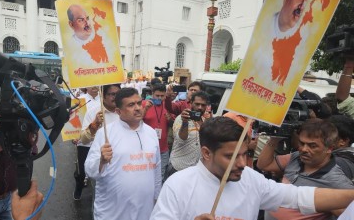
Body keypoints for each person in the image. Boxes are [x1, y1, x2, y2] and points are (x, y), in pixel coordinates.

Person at [150, 117, 354, 220]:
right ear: (206, 153)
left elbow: (300, 197)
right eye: (230, 156)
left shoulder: (250, 179)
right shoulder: (178, 185)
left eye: (245, 154)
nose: (241, 163)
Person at [85, 88, 161, 220]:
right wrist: (101, 161)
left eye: (139, 103)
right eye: (131, 105)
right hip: (113, 212)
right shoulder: (105, 134)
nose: (137, 108)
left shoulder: (151, 133)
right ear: (118, 111)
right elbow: (89, 170)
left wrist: (157, 199)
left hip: (144, 211)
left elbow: (157, 169)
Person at [257, 118, 354, 219]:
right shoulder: (295, 158)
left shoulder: (337, 181)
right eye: (302, 143)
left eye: (312, 146)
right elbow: (264, 165)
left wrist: (329, 203)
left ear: (329, 148)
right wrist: (275, 138)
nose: (304, 149)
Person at [165, 91, 210, 179]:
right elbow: (181, 140)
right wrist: (185, 122)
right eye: (197, 104)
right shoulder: (180, 119)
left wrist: (209, 123)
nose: (200, 107)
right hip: (179, 168)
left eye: (203, 105)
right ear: (191, 103)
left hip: (196, 170)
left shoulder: (205, 121)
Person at [73, 86, 101, 200]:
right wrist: (74, 136)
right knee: (82, 170)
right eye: (92, 84)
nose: (94, 87)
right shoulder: (80, 100)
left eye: (97, 84)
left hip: (99, 141)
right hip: (84, 141)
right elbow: (74, 120)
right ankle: (78, 187)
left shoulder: (103, 100)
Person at [142, 83, 171, 180]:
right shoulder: (144, 104)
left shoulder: (167, 106)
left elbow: (173, 123)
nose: (159, 98)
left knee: (160, 176)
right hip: (147, 149)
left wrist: (170, 119)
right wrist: (145, 109)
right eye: (157, 95)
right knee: (147, 176)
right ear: (152, 94)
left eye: (162, 96)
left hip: (163, 150)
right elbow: (136, 121)